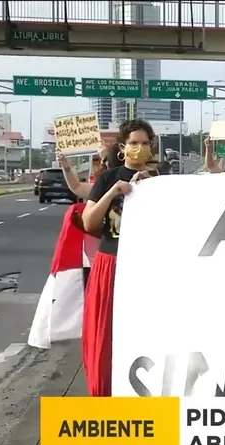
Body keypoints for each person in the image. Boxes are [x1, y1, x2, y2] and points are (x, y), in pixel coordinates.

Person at [81, 119, 158, 397]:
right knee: (106, 331)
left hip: (149, 267)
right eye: (134, 143)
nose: (140, 148)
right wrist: (115, 191)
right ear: (123, 148)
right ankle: (104, 395)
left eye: (145, 143)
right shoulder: (108, 178)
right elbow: (89, 222)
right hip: (111, 262)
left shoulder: (163, 179)